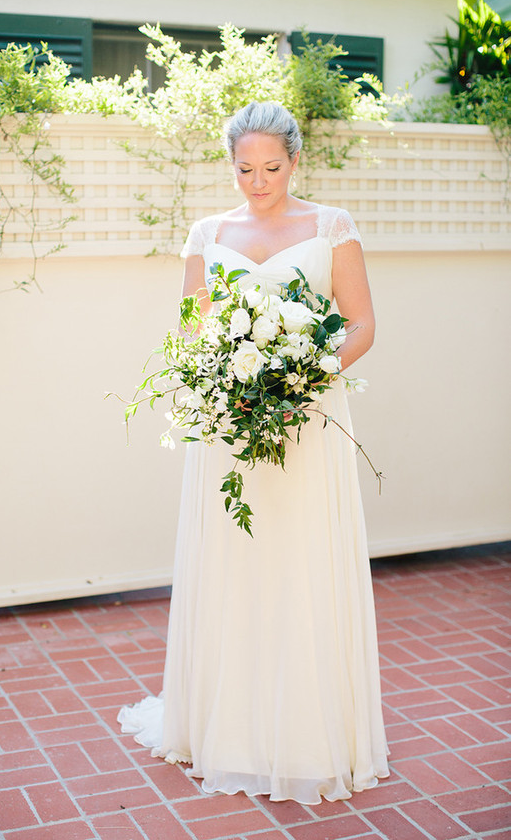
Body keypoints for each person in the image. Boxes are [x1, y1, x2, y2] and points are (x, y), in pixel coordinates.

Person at [119, 101, 389, 805]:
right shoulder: (208, 233)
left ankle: (309, 731)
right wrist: (219, 376)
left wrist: (305, 372)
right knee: (235, 560)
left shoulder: (331, 226)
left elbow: (361, 324)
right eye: (245, 168)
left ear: (295, 162)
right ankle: (230, 728)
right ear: (230, 164)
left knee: (302, 558)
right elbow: (191, 328)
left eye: (272, 168)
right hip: (232, 424)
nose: (258, 181)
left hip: (308, 420)